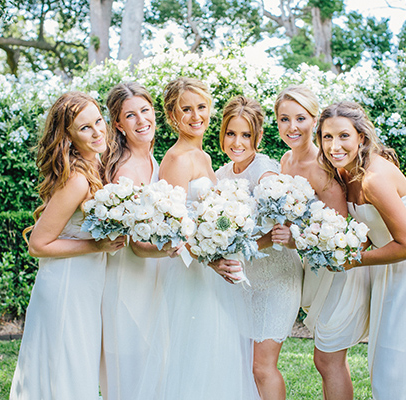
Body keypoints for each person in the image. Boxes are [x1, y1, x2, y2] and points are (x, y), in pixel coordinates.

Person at [317, 101, 406, 399]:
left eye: (343, 136)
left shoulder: (375, 178)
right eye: (327, 137)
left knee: (402, 370)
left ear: (361, 137)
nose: (334, 145)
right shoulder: (346, 173)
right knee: (384, 366)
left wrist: (355, 260)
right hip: (387, 270)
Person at [9, 92, 125, 399]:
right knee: (66, 372)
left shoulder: (96, 167)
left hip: (85, 283)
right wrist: (97, 246)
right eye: (85, 127)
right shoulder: (77, 179)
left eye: (99, 121)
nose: (98, 131)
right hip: (66, 285)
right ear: (69, 136)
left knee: (77, 368)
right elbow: (38, 244)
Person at [158, 77, 258, 399]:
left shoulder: (204, 157)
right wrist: (212, 259)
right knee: (196, 354)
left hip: (213, 270)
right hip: (193, 273)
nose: (195, 116)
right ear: (173, 116)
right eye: (185, 109)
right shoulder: (175, 160)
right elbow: (172, 231)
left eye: (201, 107)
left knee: (219, 351)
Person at [273, 86, 370, 400]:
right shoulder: (285, 161)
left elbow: (340, 232)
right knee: (324, 359)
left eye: (300, 118)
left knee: (328, 360)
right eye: (284, 118)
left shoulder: (321, 167)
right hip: (315, 269)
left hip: (337, 272)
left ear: (314, 121)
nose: (292, 127)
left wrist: (296, 240)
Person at [214, 95, 302, 400]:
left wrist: (248, 243)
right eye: (231, 133)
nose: (237, 142)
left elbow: (283, 225)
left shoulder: (266, 171)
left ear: (258, 136)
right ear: (222, 133)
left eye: (246, 135)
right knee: (243, 365)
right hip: (244, 282)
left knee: (262, 368)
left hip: (276, 278)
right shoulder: (221, 175)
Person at [99, 82, 179, 400]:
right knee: (132, 373)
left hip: (153, 277)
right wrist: (176, 245)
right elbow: (134, 244)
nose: (141, 120)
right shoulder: (125, 172)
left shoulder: (152, 160)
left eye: (145, 110)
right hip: (127, 282)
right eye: (130, 116)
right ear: (118, 124)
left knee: (154, 368)